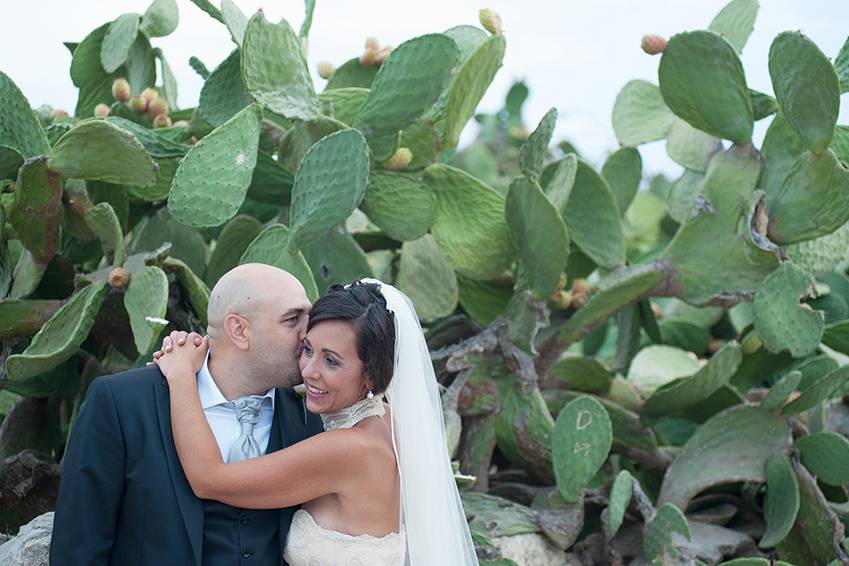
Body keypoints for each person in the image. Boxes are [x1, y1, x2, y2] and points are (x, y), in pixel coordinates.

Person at [154, 279, 479, 565]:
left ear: (370, 375)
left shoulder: (350, 448)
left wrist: (181, 375)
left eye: (331, 361)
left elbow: (208, 479)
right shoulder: (387, 421)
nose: (309, 371)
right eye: (308, 349)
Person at [49, 264, 323, 566]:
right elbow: (78, 549)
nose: (309, 333)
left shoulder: (314, 418)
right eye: (293, 319)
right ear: (239, 331)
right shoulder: (121, 403)